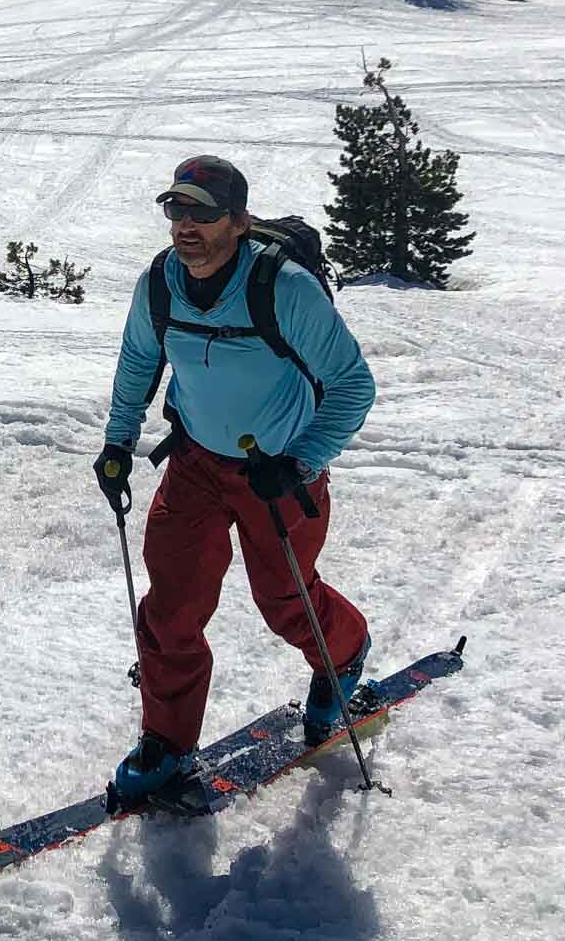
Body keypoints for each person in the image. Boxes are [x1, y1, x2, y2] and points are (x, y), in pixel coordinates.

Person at [92, 154, 377, 804]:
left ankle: (345, 653)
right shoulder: (160, 284)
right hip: (195, 464)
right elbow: (139, 359)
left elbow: (353, 387)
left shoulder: (283, 288)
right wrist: (117, 441)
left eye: (202, 211)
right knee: (171, 606)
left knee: (286, 601)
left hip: (279, 476)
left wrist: (302, 459)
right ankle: (166, 742)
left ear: (239, 222)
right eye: (176, 208)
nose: (185, 224)